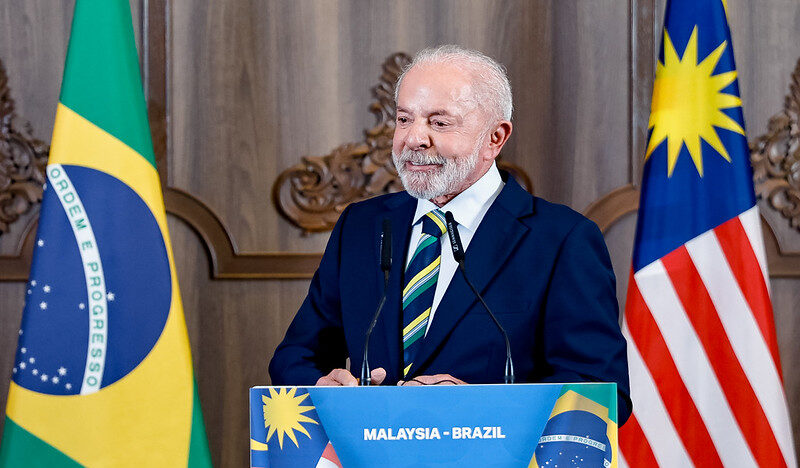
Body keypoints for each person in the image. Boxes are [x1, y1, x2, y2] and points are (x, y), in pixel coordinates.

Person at [269, 45, 631, 423]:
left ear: (495, 138)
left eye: (439, 123)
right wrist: (324, 386)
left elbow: (601, 392)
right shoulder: (361, 226)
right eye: (405, 119)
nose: (413, 139)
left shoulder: (563, 240)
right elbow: (295, 356)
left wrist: (478, 408)